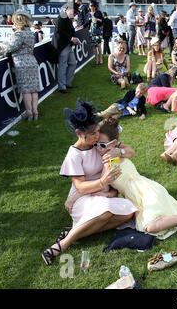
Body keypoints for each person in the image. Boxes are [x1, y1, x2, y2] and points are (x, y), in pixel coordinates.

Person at [41, 100, 139, 266]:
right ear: (79, 133)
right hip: (83, 197)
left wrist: (118, 151)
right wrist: (102, 182)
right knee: (107, 213)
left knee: (129, 212)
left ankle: (75, 231)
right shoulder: (74, 154)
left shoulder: (98, 143)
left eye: (97, 131)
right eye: (93, 133)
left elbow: (130, 151)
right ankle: (64, 244)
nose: (96, 135)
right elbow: (80, 186)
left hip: (104, 194)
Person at [94, 119, 177, 239]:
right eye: (96, 144)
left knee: (150, 226)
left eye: (102, 145)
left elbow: (104, 182)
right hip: (141, 193)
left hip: (145, 192)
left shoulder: (110, 158)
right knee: (154, 220)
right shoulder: (113, 153)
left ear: (114, 143)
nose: (98, 148)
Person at [3, 9, 42, 121]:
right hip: (32, 61)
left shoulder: (18, 34)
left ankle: (29, 112)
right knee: (34, 89)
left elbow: (11, 48)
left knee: (26, 90)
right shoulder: (30, 33)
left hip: (21, 64)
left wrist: (5, 47)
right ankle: (35, 111)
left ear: (18, 22)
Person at [51, 3, 80, 94]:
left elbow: (70, 31)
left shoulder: (67, 18)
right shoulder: (61, 17)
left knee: (73, 63)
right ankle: (61, 87)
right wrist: (72, 39)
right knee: (63, 66)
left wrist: (74, 39)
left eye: (76, 12)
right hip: (61, 45)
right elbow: (60, 31)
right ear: (68, 9)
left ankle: (67, 83)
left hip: (68, 45)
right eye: (74, 12)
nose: (75, 14)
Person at [88, 0, 103, 65]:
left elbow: (102, 20)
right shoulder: (88, 14)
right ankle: (96, 59)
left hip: (97, 30)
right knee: (94, 46)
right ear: (89, 6)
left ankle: (101, 59)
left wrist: (97, 19)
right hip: (91, 31)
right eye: (91, 6)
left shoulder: (98, 12)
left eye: (94, 6)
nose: (92, 7)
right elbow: (86, 23)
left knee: (99, 45)